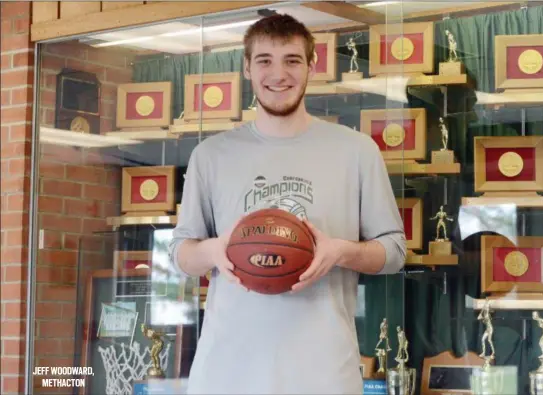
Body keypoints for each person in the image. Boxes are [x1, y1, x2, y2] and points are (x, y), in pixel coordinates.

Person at [169, 13, 406, 395]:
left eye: (292, 60)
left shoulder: (356, 150)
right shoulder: (210, 155)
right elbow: (180, 252)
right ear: (247, 67)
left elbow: (394, 252)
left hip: (324, 375)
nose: (278, 74)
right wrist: (217, 250)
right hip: (225, 374)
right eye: (264, 60)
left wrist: (341, 252)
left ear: (312, 65)